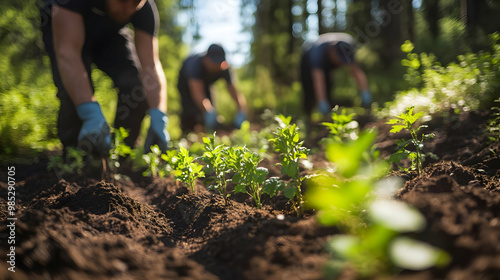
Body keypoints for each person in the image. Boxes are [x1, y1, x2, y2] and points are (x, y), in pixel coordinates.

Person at [40, 0, 170, 158]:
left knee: (136, 88)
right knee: (73, 96)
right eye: (123, 1)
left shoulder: (145, 9)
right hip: (65, 27)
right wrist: (88, 111)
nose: (128, 8)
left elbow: (151, 65)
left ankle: (120, 156)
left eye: (135, 2)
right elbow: (68, 53)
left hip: (109, 35)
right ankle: (76, 161)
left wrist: (158, 114)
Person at [177, 44, 247, 131]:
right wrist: (209, 113)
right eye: (214, 62)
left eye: (219, 63)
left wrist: (241, 111)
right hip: (187, 84)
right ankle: (188, 131)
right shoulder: (195, 65)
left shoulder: (224, 67)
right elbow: (198, 94)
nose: (216, 66)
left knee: (210, 104)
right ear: (206, 59)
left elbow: (234, 91)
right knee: (190, 110)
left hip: (207, 84)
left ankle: (210, 129)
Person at [300, 32, 372, 117]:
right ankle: (308, 115)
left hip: (327, 58)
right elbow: (318, 80)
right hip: (308, 58)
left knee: (329, 86)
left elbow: (356, 71)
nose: (341, 63)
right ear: (332, 52)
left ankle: (329, 111)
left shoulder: (348, 45)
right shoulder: (317, 53)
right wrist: (322, 103)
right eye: (339, 59)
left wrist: (365, 94)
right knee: (309, 89)